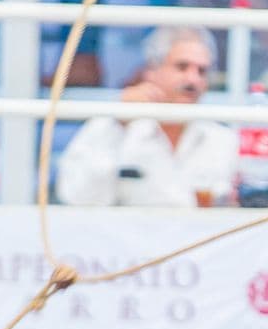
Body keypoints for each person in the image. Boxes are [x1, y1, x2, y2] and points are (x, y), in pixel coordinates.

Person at [55, 27, 235, 207]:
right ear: (152, 70)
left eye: (201, 71)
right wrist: (119, 124)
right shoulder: (112, 126)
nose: (193, 79)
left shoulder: (222, 141)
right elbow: (77, 198)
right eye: (182, 67)